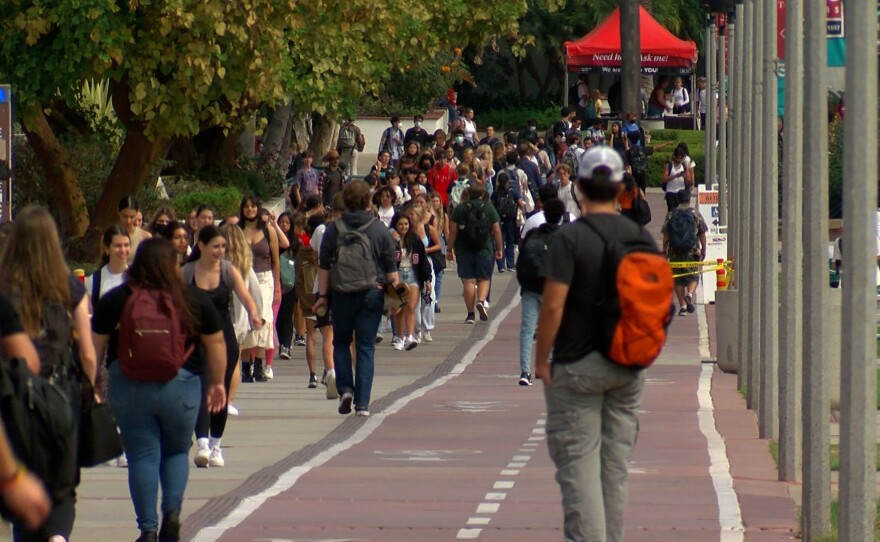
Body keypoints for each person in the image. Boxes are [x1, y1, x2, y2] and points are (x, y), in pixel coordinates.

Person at [534, 146, 655, 542]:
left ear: (581, 187)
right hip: (627, 365)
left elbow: (552, 305)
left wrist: (541, 358)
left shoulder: (571, 238)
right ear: (622, 188)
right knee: (614, 469)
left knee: (579, 466)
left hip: (577, 362)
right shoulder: (640, 238)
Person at [91, 238, 228, 542]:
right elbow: (216, 343)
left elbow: (94, 348)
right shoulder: (192, 299)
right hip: (181, 386)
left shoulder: (117, 299)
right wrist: (217, 383)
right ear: (174, 265)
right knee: (177, 451)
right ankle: (172, 512)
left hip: (129, 385)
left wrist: (94, 383)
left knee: (142, 455)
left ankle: (148, 529)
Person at [0, 206, 97, 542]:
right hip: (60, 393)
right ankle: (57, 534)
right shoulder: (68, 285)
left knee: (21, 473)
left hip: (14, 395)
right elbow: (86, 349)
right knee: (63, 482)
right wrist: (92, 388)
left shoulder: (4, 286)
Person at [313, 181, 400, 417]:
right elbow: (392, 272)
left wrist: (322, 296)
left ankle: (345, 390)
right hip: (372, 293)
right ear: (367, 201)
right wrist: (396, 299)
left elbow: (324, 266)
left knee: (340, 342)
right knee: (365, 347)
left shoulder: (333, 229)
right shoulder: (379, 229)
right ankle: (362, 404)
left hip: (341, 293)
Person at [184, 226, 261, 467]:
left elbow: (246, 296)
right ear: (201, 246)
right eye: (215, 246)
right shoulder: (186, 272)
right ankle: (203, 444)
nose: (220, 251)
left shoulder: (228, 270)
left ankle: (216, 444)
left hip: (223, 338)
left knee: (221, 390)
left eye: (223, 247)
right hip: (196, 339)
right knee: (202, 387)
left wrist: (254, 314)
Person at [516, 197, 566, 386]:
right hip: (554, 288)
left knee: (527, 329)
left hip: (530, 286)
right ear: (561, 216)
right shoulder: (565, 236)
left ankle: (525, 371)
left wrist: (524, 282)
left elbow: (522, 259)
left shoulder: (533, 234)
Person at [239, 196, 281, 382]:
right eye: (246, 206)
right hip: (244, 278)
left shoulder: (268, 230)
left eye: (253, 206)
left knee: (263, 319)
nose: (250, 209)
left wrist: (278, 286)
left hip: (265, 278)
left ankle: (259, 364)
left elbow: (275, 259)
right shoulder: (237, 231)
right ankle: (245, 366)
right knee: (246, 320)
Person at [447, 185, 502, 324]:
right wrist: (499, 248)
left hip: (464, 249)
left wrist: (449, 249)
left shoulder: (460, 208)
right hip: (484, 248)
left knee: (469, 280)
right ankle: (481, 301)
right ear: (482, 194)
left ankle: (470, 315)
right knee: (484, 278)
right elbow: (496, 230)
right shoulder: (489, 208)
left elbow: (453, 231)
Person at [390, 213, 432, 351]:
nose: (404, 227)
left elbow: (423, 260)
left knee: (410, 307)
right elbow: (385, 259)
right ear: (395, 225)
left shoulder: (415, 240)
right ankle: (399, 338)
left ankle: (410, 337)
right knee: (398, 310)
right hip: (397, 275)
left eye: (406, 224)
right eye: (401, 224)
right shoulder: (390, 240)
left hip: (413, 274)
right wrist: (393, 242)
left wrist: (427, 279)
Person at [662, 189, 707, 316]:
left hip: (674, 251)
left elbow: (666, 234)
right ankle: (690, 294)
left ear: (677, 200)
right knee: (693, 276)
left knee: (678, 279)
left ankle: (682, 307)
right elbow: (702, 233)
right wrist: (704, 248)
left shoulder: (671, 214)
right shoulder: (694, 213)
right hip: (691, 251)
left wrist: (663, 251)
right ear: (689, 199)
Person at [490, 171, 521, 273]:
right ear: (507, 181)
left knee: (499, 242)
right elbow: (521, 203)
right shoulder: (513, 191)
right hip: (510, 220)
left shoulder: (495, 193)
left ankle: (501, 265)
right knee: (510, 242)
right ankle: (511, 265)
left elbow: (491, 205)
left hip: (498, 219)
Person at [119, 196, 152, 264]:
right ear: (119, 213)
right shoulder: (109, 235)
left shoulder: (145, 236)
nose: (128, 221)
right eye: (125, 216)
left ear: (137, 214)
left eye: (132, 217)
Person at [661, 147, 694, 212]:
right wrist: (675, 176)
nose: (679, 161)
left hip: (681, 192)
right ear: (674, 157)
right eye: (677, 158)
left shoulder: (684, 166)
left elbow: (690, 182)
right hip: (671, 192)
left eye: (681, 159)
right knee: (672, 211)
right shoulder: (669, 165)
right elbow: (663, 179)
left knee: (682, 211)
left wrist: (685, 177)